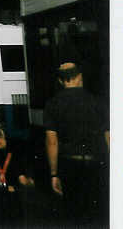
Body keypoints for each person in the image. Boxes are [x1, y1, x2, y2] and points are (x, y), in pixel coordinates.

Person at [43, 61, 109, 226]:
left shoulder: (52, 105)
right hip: (97, 165)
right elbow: (109, 137)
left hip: (70, 166)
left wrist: (54, 174)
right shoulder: (98, 102)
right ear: (80, 77)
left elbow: (52, 142)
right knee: (99, 213)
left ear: (60, 81)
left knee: (74, 214)